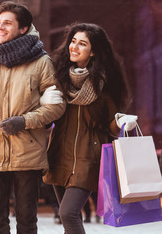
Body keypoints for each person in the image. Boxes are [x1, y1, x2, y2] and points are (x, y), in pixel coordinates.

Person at [0, 0, 66, 233]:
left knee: (26, 221)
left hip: (27, 153)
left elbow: (57, 107)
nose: (0, 27)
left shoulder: (41, 63)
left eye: (7, 23)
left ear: (23, 28)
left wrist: (24, 121)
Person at [42, 23, 137, 234]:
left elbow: (110, 125)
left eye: (82, 44)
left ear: (93, 51)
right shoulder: (59, 79)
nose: (74, 47)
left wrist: (121, 122)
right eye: (73, 41)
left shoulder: (103, 85)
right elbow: (46, 120)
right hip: (59, 155)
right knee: (69, 221)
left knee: (68, 213)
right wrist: (44, 103)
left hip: (88, 158)